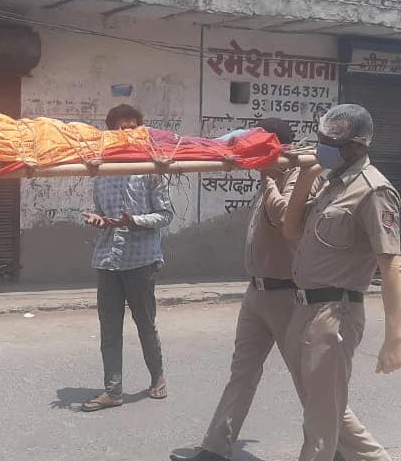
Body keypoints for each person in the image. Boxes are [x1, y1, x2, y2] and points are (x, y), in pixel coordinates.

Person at [173, 118, 308, 460]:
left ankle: (347, 446)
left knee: (310, 379)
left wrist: (267, 178)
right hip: (257, 293)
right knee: (242, 372)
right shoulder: (271, 177)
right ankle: (215, 449)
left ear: (273, 144)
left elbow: (284, 219)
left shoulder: (297, 175)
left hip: (285, 294)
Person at [281, 104, 401, 461]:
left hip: (335, 314)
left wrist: (394, 339)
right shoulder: (328, 183)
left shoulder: (374, 191)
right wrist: (306, 177)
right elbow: (291, 231)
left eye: (331, 143)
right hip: (304, 308)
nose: (322, 148)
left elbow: (392, 265)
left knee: (320, 425)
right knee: (323, 405)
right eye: (320, 140)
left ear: (359, 147)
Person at [80, 104, 173, 412]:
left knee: (145, 323)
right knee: (109, 328)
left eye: (131, 128)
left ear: (139, 130)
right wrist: (101, 220)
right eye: (119, 129)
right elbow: (107, 216)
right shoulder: (102, 172)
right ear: (110, 133)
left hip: (141, 260)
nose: (125, 134)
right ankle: (113, 391)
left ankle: (157, 377)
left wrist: (132, 221)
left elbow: (165, 215)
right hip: (107, 260)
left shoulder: (150, 169)